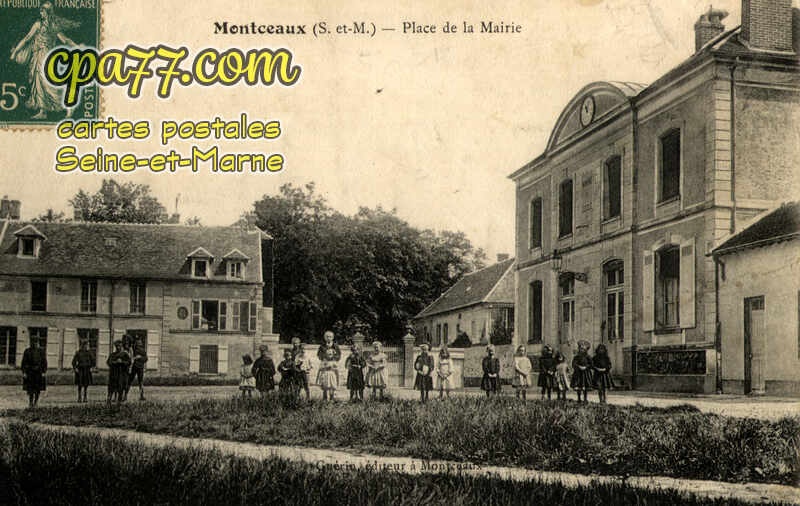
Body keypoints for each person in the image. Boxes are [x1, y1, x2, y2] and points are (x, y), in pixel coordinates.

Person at [9, 2, 79, 119]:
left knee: (50, 84)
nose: (40, 13)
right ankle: (43, 111)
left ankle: (69, 106)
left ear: (47, 12)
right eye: (40, 11)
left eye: (42, 11)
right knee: (39, 83)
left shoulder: (51, 26)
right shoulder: (39, 24)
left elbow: (65, 40)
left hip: (47, 57)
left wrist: (77, 46)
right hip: (38, 57)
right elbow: (27, 39)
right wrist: (16, 51)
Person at [21, 336, 47, 408]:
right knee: (30, 389)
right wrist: (24, 372)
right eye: (33, 342)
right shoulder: (27, 351)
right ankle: (30, 402)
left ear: (38, 343)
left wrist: (44, 372)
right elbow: (23, 363)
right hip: (30, 372)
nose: (35, 343)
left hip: (39, 372)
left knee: (38, 388)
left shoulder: (41, 352)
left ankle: (36, 402)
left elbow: (44, 362)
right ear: (31, 342)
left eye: (36, 342)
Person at [107, 340, 131, 405]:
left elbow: (129, 362)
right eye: (117, 346)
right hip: (113, 374)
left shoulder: (125, 354)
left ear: (122, 346)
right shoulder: (112, 355)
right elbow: (109, 362)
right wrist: (115, 362)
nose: (118, 347)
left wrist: (122, 362)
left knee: (120, 387)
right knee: (111, 387)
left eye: (119, 346)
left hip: (122, 374)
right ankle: (109, 399)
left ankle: (119, 401)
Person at [128, 335, 148, 401]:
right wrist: (134, 358)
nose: (138, 344)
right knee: (129, 381)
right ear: (135, 343)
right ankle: (125, 395)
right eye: (137, 343)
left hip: (140, 368)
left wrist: (140, 358)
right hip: (133, 367)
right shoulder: (132, 349)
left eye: (139, 343)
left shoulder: (143, 350)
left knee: (141, 382)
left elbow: (146, 358)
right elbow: (130, 357)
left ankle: (141, 396)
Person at [121, 336, 134, 402]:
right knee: (120, 382)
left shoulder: (130, 349)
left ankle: (125, 395)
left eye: (127, 341)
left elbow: (132, 360)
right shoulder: (122, 349)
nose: (126, 343)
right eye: (125, 341)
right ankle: (120, 395)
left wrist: (130, 368)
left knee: (127, 383)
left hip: (128, 368)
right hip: (121, 368)